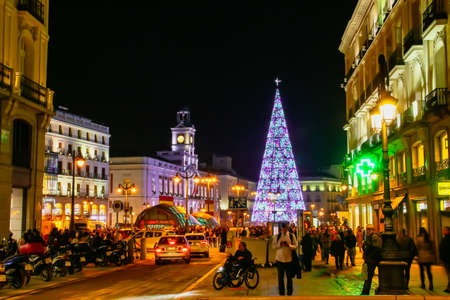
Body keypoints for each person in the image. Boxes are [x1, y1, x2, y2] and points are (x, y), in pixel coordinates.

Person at [273, 223, 297, 296]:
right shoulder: (277, 236)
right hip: (279, 259)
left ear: (287, 228)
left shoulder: (291, 236)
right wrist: (279, 245)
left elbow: (295, 246)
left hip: (289, 259)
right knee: (280, 278)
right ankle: (281, 292)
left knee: (289, 278)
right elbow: (273, 246)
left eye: (285, 228)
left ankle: (289, 292)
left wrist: (289, 245)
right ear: (281, 229)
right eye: (283, 228)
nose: (284, 229)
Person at [361, 224, 382, 295]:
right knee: (367, 276)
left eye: (370, 229)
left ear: (373, 230)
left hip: (372, 260)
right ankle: (365, 291)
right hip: (369, 259)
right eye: (367, 229)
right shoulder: (369, 237)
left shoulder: (374, 237)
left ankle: (365, 292)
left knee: (368, 276)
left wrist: (370, 256)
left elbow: (376, 249)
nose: (368, 230)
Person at [439, 226, 450, 293]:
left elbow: (445, 249)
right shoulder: (445, 238)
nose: (443, 231)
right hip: (446, 259)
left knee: (449, 274)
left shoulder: (447, 239)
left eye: (445, 230)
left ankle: (449, 288)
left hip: (447, 259)